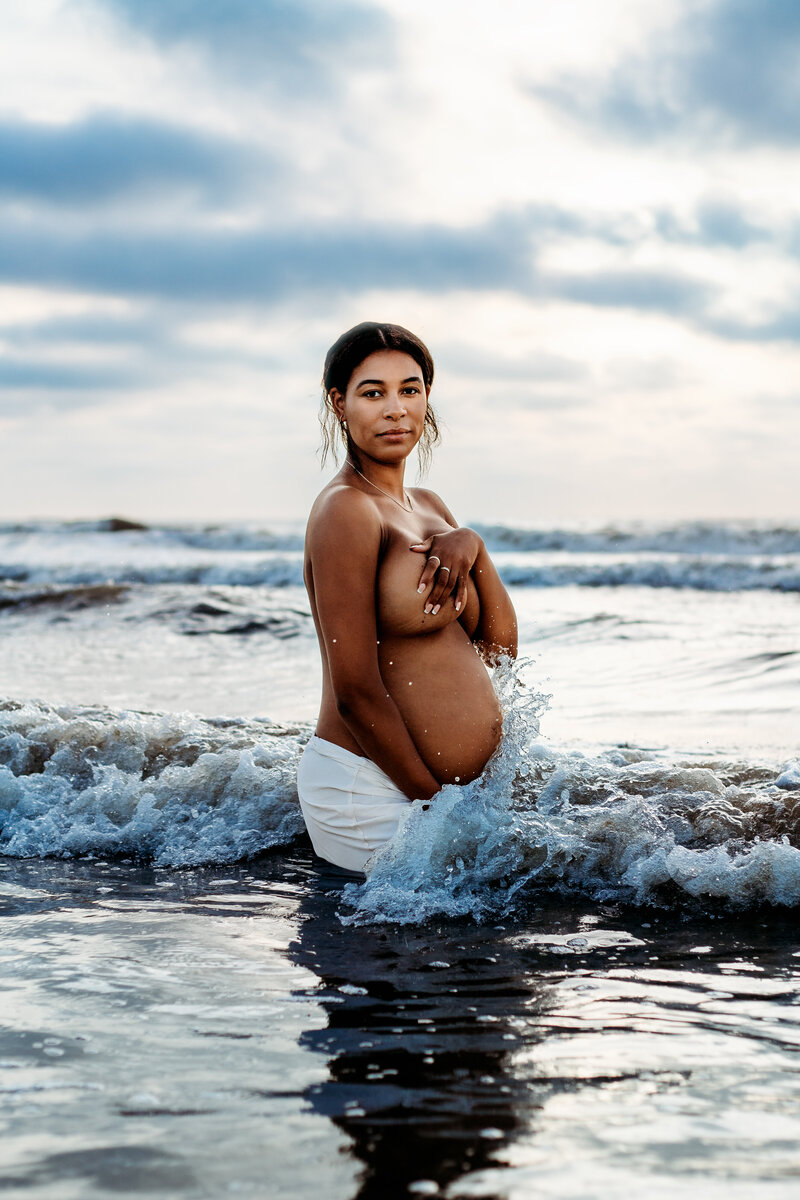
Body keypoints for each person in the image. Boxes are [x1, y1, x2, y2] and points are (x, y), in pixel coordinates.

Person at [298, 321, 518, 872]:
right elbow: (354, 690)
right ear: (339, 403)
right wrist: (436, 804)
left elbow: (499, 648)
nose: (396, 409)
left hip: (429, 796)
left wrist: (473, 545)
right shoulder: (345, 511)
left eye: (410, 389)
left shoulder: (429, 505)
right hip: (368, 786)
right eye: (373, 392)